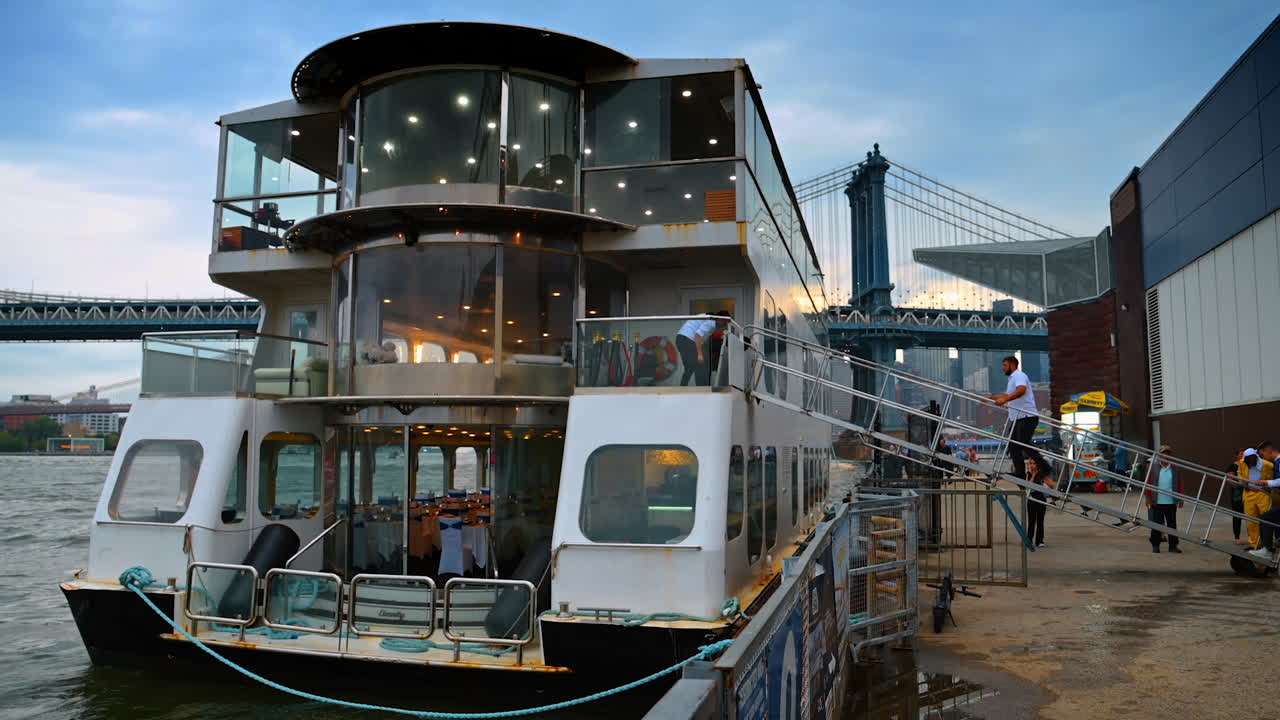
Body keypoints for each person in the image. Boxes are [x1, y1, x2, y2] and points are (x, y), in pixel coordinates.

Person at [987, 355, 1044, 480]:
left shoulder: (1019, 375)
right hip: (1016, 418)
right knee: (1013, 446)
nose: (1003, 368)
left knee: (1023, 442)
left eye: (1004, 365)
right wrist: (991, 398)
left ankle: (1044, 466)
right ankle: (1020, 473)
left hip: (1026, 416)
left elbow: (1021, 390)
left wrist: (1005, 399)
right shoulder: (1012, 378)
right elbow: (1007, 395)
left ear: (1012, 364)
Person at [1144, 445, 1183, 553]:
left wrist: (1180, 498)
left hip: (1171, 501)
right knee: (1156, 524)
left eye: (1168, 454)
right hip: (1157, 501)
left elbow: (1178, 483)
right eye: (1163, 454)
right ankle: (1155, 545)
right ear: (1159, 455)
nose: (1166, 456)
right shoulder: (1154, 467)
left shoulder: (1175, 468)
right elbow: (1148, 483)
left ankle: (1173, 546)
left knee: (1172, 524)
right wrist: (1148, 498)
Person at [674, 312, 730, 386]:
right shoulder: (711, 323)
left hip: (680, 338)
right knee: (700, 365)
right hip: (687, 339)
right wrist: (700, 354)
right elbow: (698, 335)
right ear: (720, 320)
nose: (725, 326)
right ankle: (701, 387)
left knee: (690, 366)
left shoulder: (707, 318)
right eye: (725, 323)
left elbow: (702, 339)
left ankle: (683, 386)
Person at [1238, 448, 1274, 549]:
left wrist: (1267, 486)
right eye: (1248, 459)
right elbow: (1240, 474)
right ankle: (1254, 544)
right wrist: (1244, 484)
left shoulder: (1267, 465)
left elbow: (1272, 478)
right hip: (1249, 493)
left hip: (1263, 494)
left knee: (1266, 519)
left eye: (1252, 459)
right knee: (1251, 521)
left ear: (1255, 457)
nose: (1250, 461)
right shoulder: (1242, 463)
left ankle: (1268, 544)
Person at [1024, 457, 1053, 548]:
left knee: (1040, 521)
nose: (1032, 465)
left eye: (1034, 463)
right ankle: (1029, 539)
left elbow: (1052, 485)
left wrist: (1044, 481)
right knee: (1031, 521)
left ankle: (1039, 541)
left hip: (1041, 499)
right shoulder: (1028, 474)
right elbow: (1028, 486)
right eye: (1030, 463)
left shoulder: (1042, 474)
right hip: (1031, 499)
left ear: (1038, 465)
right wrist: (1033, 475)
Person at [1228, 448, 1246, 546]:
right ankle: (1237, 537)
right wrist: (1240, 486)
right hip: (1237, 496)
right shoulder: (1233, 466)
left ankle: (1253, 538)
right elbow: (1230, 480)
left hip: (1248, 495)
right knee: (1237, 516)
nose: (1244, 455)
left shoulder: (1248, 466)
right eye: (1241, 454)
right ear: (1237, 456)